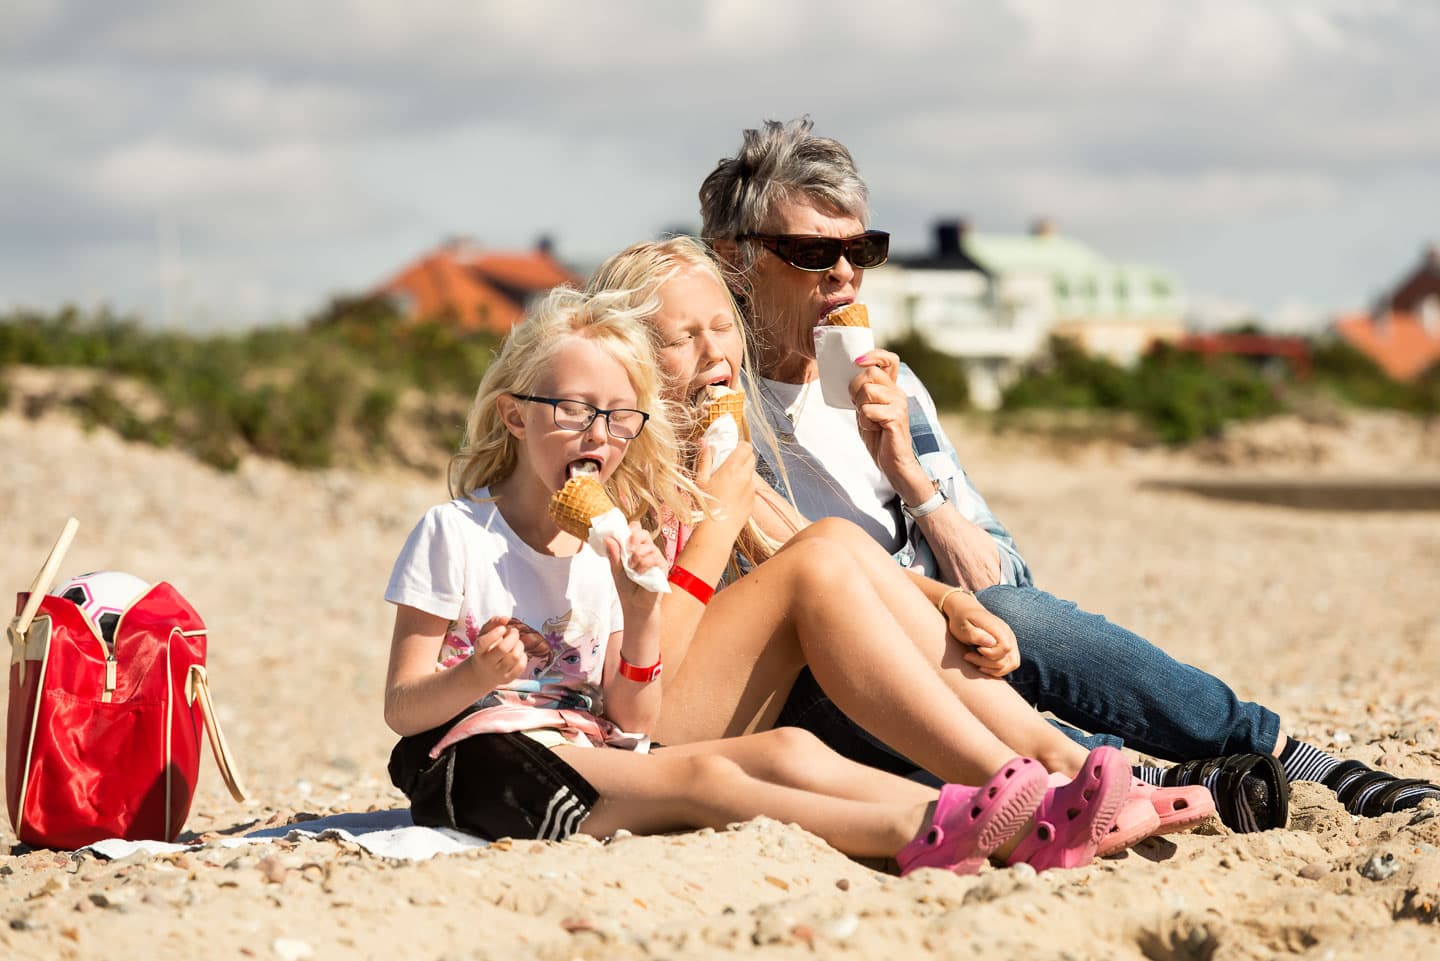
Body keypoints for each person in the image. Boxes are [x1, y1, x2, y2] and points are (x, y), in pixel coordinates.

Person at [694, 117, 1440, 826]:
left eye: (865, 251)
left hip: (964, 653)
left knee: (1009, 616)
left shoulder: (898, 389)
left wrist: (914, 484)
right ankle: (1137, 777)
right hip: (833, 685)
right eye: (814, 254)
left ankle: (1287, 755)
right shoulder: (709, 402)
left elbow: (1007, 584)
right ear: (733, 257)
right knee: (921, 662)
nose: (847, 276)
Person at [381, 283, 1129, 873]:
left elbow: (632, 717)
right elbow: (404, 708)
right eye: (575, 411)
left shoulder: (606, 548)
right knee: (711, 782)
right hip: (477, 760)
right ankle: (919, 830)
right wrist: (479, 670)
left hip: (597, 749)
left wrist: (643, 612)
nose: (598, 436)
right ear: (513, 417)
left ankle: (1008, 819)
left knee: (789, 753)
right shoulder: (454, 533)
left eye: (618, 417)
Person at [586, 235, 1218, 854]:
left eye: (723, 328)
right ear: (629, 356)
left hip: (697, 708)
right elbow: (641, 673)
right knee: (821, 568)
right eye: (682, 337)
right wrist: (716, 523)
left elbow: (819, 549)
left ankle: (1063, 760)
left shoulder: (703, 460)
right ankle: (1024, 784)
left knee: (835, 545)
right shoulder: (609, 469)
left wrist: (945, 599)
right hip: (635, 731)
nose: (713, 352)